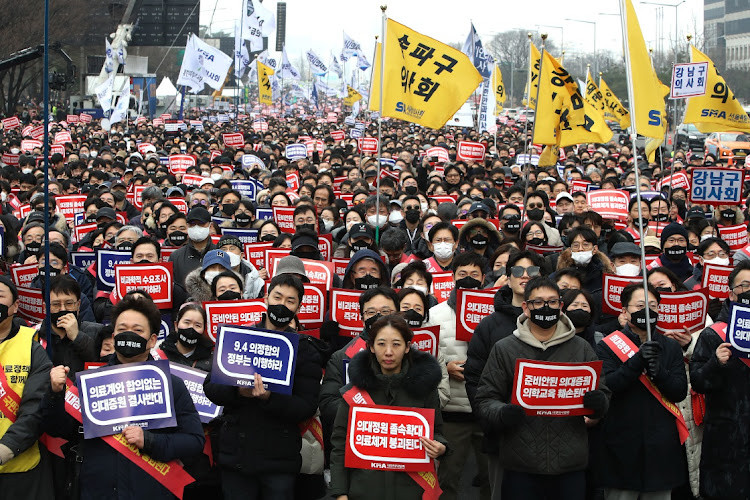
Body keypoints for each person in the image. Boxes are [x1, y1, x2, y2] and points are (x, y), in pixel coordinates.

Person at [43, 294, 205, 499]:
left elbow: (194, 441)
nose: (128, 335)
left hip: (152, 491)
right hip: (98, 490)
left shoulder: (172, 385)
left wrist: (149, 441)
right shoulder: (91, 382)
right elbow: (61, 429)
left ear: (152, 339)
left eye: (137, 330)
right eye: (121, 329)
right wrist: (55, 395)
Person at [475, 277, 609, 499]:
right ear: (526, 307)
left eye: (552, 302)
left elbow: (603, 393)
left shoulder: (582, 348)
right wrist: (502, 412)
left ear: (561, 307)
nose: (546, 307)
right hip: (521, 465)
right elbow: (485, 399)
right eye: (538, 302)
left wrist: (599, 404)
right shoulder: (505, 348)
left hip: (570, 465)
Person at [204, 274, 323, 500]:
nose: (282, 305)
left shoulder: (306, 351)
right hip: (237, 456)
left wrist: (269, 397)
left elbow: (306, 405)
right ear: (266, 297)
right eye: (277, 297)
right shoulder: (240, 338)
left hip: (279, 461)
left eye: (290, 301)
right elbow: (211, 387)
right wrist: (237, 391)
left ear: (299, 306)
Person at [329, 315, 447, 500]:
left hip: (411, 491)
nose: (389, 352)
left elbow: (438, 432)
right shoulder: (355, 393)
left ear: (408, 347)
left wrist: (441, 447)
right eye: (382, 344)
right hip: (364, 490)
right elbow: (339, 446)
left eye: (397, 344)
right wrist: (340, 492)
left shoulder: (424, 389)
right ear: (371, 347)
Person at [595, 283, 688, 499]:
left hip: (661, 447)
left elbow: (679, 391)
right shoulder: (607, 346)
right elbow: (609, 386)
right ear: (624, 311)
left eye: (653, 305)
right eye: (639, 305)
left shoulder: (670, 346)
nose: (647, 311)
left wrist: (659, 373)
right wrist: (637, 361)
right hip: (621, 446)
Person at [423, 251, 490, 499]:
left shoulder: (495, 313)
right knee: (448, 480)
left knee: (491, 479)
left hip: (486, 409)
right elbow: (427, 354)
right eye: (462, 274)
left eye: (475, 274)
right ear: (452, 277)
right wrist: (447, 368)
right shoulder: (435, 315)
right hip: (452, 412)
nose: (468, 279)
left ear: (484, 279)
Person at [689, 260, 750, 500]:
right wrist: (716, 362)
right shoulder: (714, 334)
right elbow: (698, 382)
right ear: (731, 293)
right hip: (726, 441)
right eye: (744, 286)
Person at [0, 276, 54, 498]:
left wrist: (7, 448)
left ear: (15, 306)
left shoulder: (32, 345)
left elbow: (36, 407)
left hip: (19, 469)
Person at [44, 275, 102, 378]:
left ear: (78, 305)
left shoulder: (96, 331)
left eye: (69, 303)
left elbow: (101, 363)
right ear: (45, 307)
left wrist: (77, 336)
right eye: (56, 304)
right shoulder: (34, 336)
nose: (62, 309)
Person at [169, 206, 217, 287]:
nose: (196, 227)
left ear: (211, 226)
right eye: (192, 224)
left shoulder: (219, 253)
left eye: (201, 224)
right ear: (187, 226)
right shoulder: (176, 257)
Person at [160, 302, 213, 371]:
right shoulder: (159, 356)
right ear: (176, 325)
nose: (191, 327)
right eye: (187, 322)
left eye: (198, 325)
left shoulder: (212, 362)